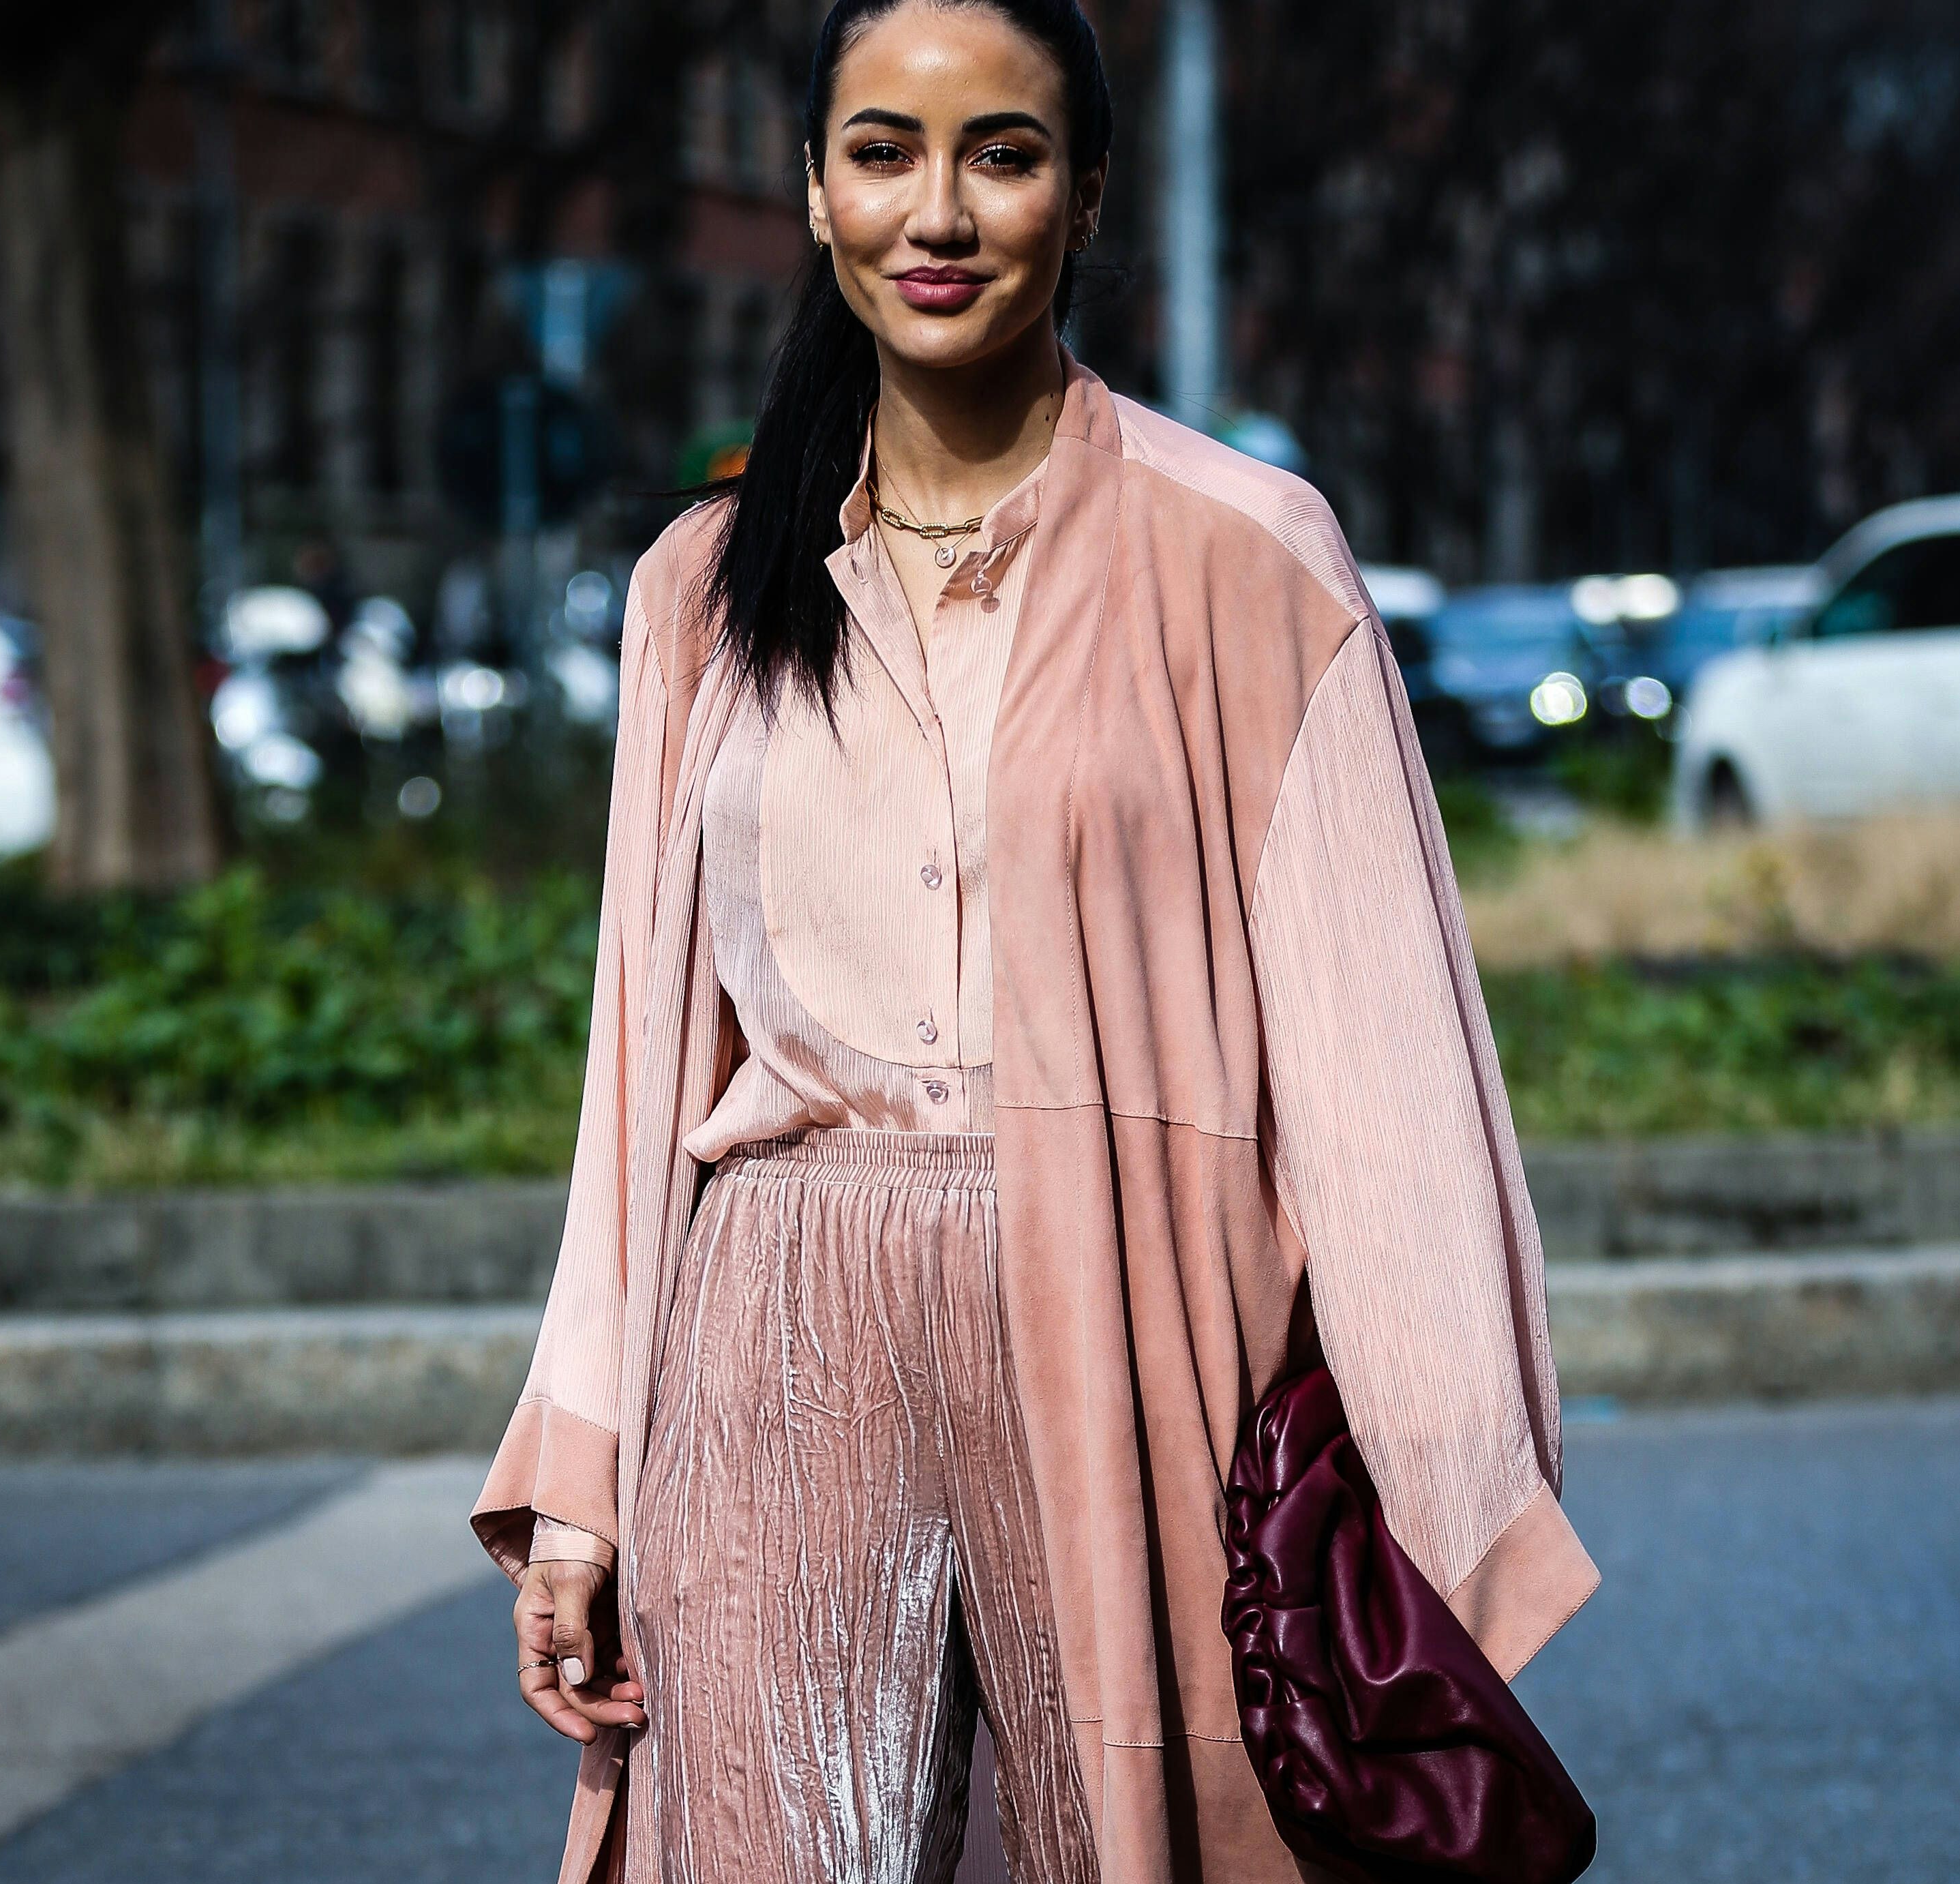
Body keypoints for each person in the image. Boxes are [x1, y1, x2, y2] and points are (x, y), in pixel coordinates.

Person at [472, 3, 1599, 1880]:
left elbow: (1380, 1063)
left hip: (1131, 1320)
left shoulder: (1247, 552)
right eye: (882, 153)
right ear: (814, 192)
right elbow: (639, 1070)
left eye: (1000, 154)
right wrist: (581, 1487)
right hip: (775, 1322)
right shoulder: (705, 584)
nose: (939, 211)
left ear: (1083, 198)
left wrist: (1430, 1499)